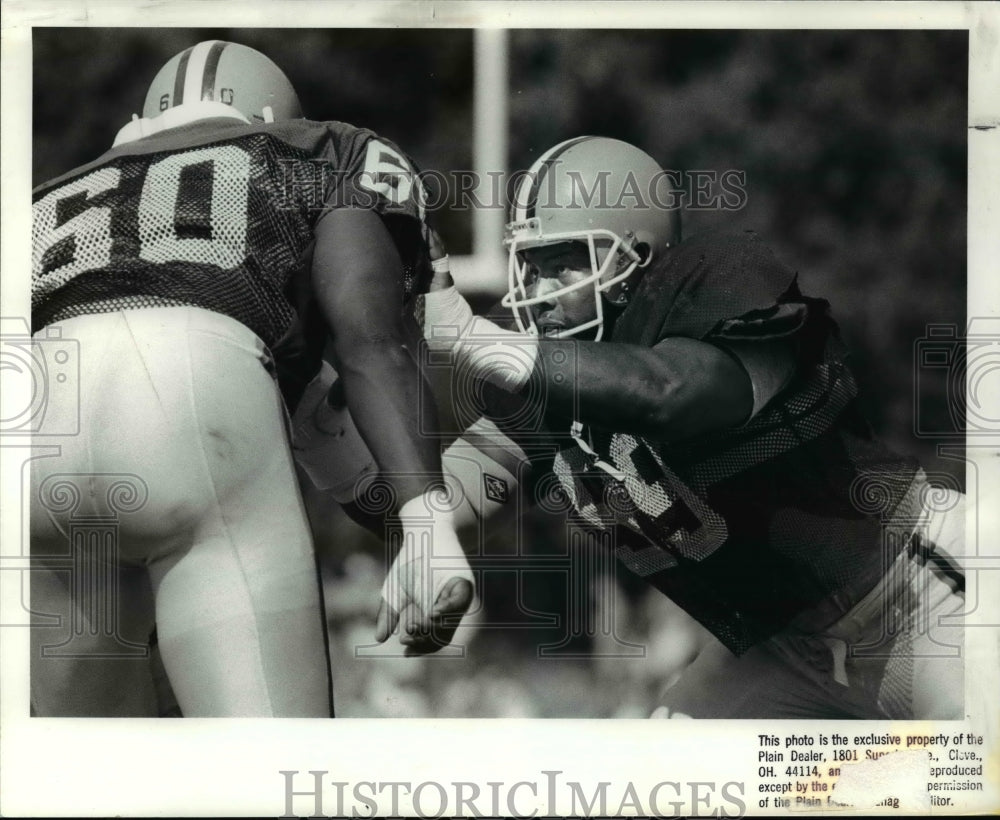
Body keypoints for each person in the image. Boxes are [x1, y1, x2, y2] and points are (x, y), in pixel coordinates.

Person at [419, 135, 966, 719]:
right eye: (531, 266)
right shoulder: (550, 387)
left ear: (638, 260)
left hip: (916, 596)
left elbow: (672, 393)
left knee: (974, 781)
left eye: (562, 262)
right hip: (782, 651)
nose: (539, 293)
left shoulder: (715, 276)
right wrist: (336, 409)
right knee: (655, 792)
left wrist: (473, 338)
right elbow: (440, 493)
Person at [29, 40, 472, 717]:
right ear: (272, 116)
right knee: (268, 779)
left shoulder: (45, 195)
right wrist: (429, 526)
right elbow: (369, 337)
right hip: (194, 393)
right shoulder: (322, 149)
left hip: (28, 433)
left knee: (86, 785)